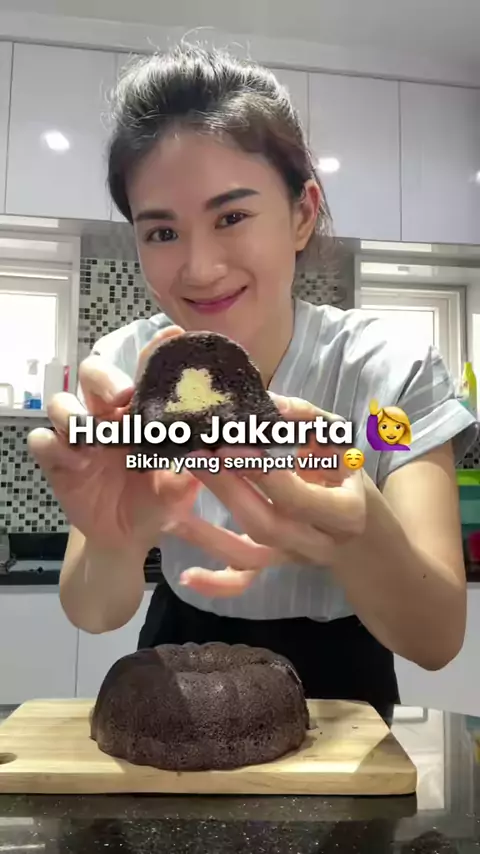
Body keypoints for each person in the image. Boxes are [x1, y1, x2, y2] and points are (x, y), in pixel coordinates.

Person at [28, 43, 477, 722]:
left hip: (343, 686)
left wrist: (357, 531)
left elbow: (437, 640)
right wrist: (116, 538)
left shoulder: (389, 369)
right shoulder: (129, 367)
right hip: (178, 659)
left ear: (302, 214)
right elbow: (94, 611)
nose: (199, 268)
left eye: (232, 217)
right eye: (161, 232)